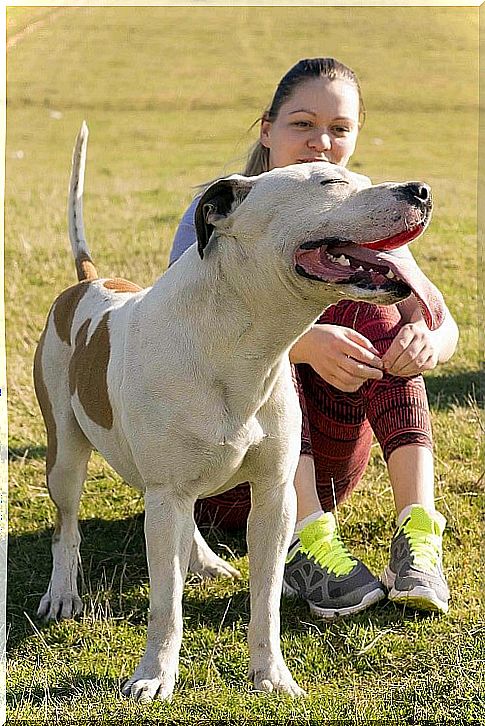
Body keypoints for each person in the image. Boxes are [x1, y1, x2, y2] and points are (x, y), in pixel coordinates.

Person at [168, 58, 459, 618]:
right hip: (227, 475)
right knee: (273, 343)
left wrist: (428, 342)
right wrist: (301, 343)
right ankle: (301, 543)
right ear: (267, 130)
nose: (321, 142)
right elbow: (189, 339)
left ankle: (417, 537)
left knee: (388, 321)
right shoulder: (227, 210)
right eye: (302, 124)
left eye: (340, 129)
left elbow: (443, 322)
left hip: (330, 466)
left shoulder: (362, 214)